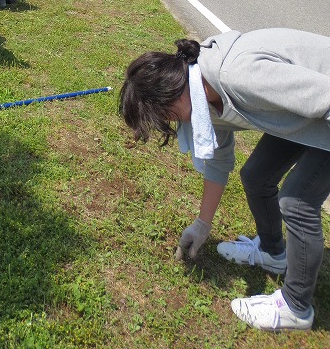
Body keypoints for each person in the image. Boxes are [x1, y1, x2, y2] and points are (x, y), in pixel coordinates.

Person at [118, 28, 330, 332]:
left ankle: (296, 307)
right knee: (257, 176)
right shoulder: (201, 98)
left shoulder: (238, 75)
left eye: (164, 116)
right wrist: (203, 224)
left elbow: (324, 97)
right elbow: (218, 159)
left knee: (296, 200)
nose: (170, 123)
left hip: (324, 104)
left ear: (169, 94)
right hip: (304, 111)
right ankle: (274, 253)